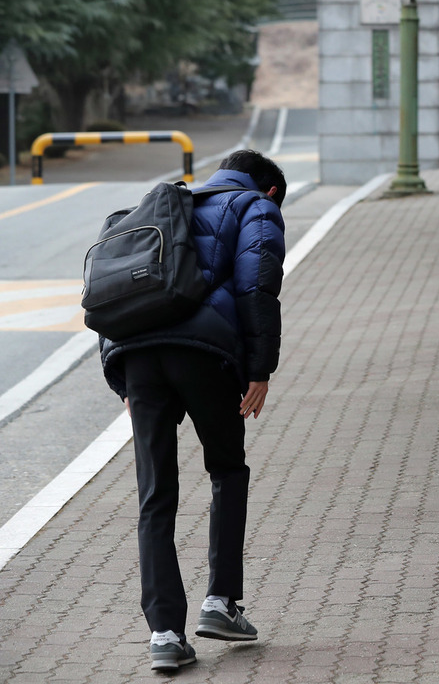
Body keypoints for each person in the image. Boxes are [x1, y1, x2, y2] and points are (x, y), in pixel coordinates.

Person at [97, 149, 287, 670]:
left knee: (155, 494)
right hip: (202, 354)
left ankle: (163, 634)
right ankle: (221, 603)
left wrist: (121, 376)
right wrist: (259, 368)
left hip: (137, 358)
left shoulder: (160, 204)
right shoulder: (255, 206)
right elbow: (257, 284)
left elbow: (110, 289)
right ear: (271, 191)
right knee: (227, 467)